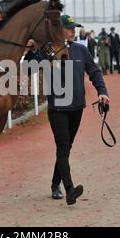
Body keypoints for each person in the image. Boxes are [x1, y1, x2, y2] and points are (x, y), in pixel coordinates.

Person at [47, 14, 110, 205]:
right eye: (69, 28)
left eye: (74, 28)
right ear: (59, 30)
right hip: (57, 108)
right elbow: (27, 67)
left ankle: (54, 184)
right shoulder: (49, 51)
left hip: (77, 107)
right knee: (64, 147)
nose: (73, 31)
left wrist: (102, 92)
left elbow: (94, 71)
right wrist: (33, 48)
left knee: (66, 148)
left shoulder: (81, 50)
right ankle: (69, 190)